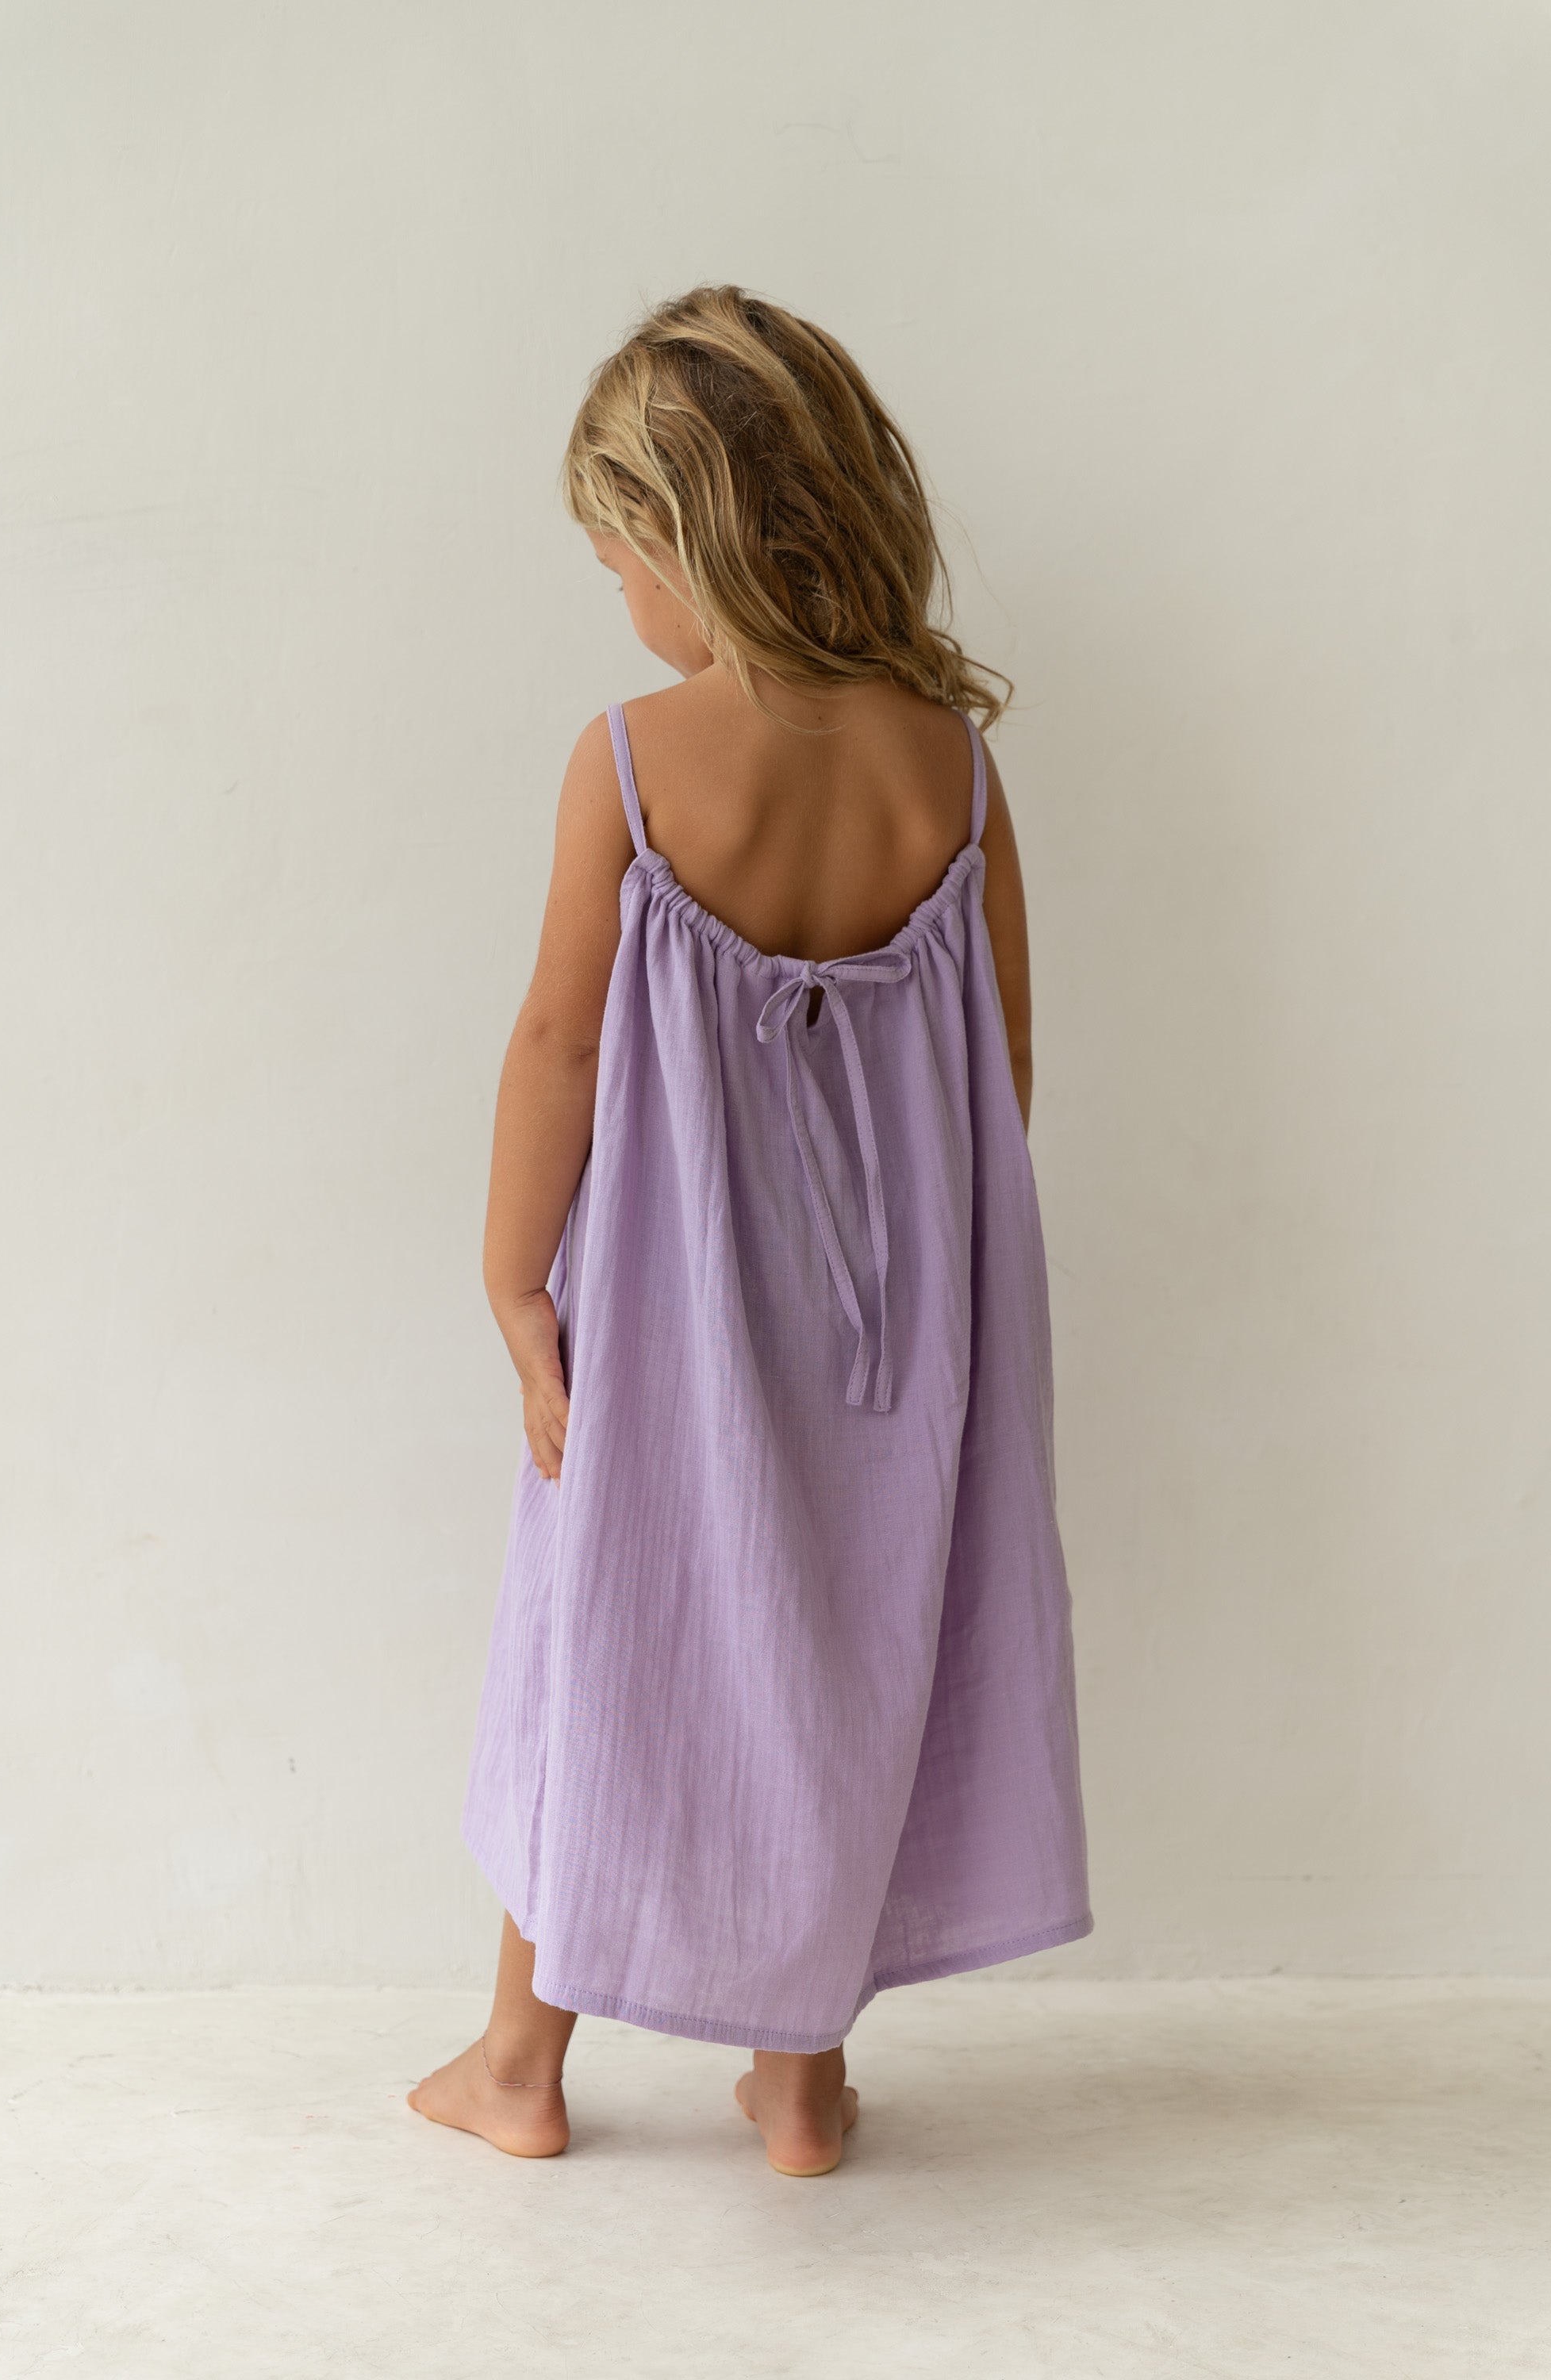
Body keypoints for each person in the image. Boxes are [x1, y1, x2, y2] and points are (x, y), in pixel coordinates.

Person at [410, 286, 1090, 2177]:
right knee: (844, 1652)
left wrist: (512, 1283)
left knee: (596, 1645)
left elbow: (554, 1041)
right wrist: (919, 1271)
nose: (617, 598)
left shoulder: (632, 759)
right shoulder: (946, 763)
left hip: (661, 1300)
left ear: (686, 540)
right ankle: (800, 2090)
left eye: (618, 553)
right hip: (905, 1320)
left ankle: (519, 2068)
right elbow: (1004, 1054)